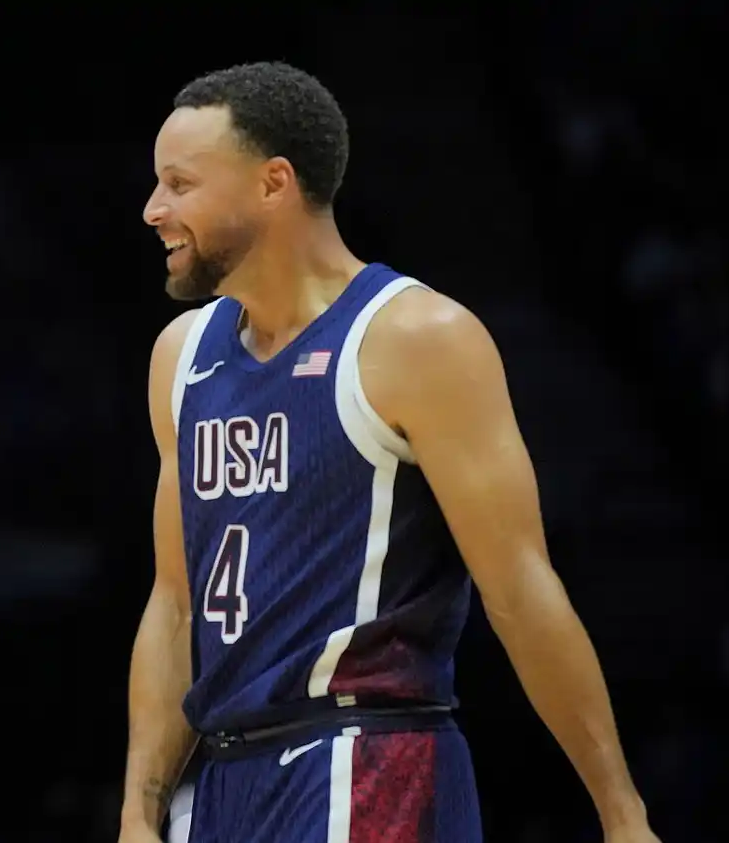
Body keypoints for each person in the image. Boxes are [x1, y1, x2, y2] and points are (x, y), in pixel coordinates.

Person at [120, 62, 660, 843]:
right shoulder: (180, 356)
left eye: (180, 184)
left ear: (274, 183)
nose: (153, 209)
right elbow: (175, 607)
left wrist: (621, 812)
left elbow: (520, 589)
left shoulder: (415, 338)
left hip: (367, 760)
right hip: (224, 779)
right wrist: (139, 811)